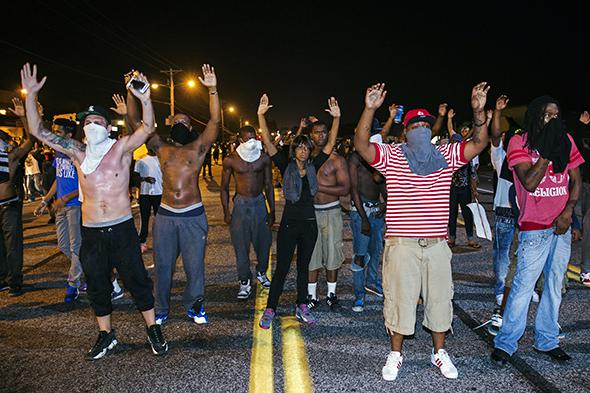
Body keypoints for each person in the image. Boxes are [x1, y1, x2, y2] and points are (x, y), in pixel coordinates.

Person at [21, 63, 168, 359]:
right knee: (98, 285)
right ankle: (106, 334)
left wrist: (146, 99)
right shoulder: (77, 152)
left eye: (96, 120)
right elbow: (38, 130)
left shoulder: (122, 148)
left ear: (107, 125)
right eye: (85, 121)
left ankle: (152, 328)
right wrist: (30, 96)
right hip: (92, 233)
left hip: (122, 228)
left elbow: (148, 128)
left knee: (138, 282)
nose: (90, 124)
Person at [354, 82, 491, 381]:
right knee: (399, 299)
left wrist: (479, 111)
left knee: (440, 299)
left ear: (432, 130)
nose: (420, 129)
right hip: (402, 244)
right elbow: (361, 145)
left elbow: (479, 143)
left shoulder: (446, 156)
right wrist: (370, 109)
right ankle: (396, 354)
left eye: (425, 124)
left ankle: (438, 352)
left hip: (437, 244)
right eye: (414, 124)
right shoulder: (392, 155)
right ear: (406, 132)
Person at [491, 95, 584, 365]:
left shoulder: (566, 141)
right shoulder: (519, 142)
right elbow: (530, 182)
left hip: (560, 227)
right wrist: (544, 151)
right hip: (534, 228)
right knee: (522, 287)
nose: (553, 120)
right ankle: (506, 343)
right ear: (535, 116)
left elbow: (576, 180)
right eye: (547, 115)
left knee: (554, 287)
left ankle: (547, 340)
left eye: (557, 115)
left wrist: (568, 212)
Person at [127, 64, 220, 326]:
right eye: (175, 121)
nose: (179, 124)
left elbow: (214, 121)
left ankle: (194, 306)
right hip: (166, 215)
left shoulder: (198, 148)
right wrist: (132, 94)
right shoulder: (161, 147)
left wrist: (212, 90)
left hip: (192, 215)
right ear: (169, 125)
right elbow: (137, 123)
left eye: (184, 122)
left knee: (194, 268)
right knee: (163, 266)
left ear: (190, 127)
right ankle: (161, 308)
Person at [257, 94, 339, 329]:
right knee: (282, 268)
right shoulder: (285, 165)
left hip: (309, 224)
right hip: (289, 224)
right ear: (294, 150)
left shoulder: (314, 166)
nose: (303, 151)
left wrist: (337, 119)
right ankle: (271, 308)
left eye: (306, 147)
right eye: (299, 147)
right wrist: (261, 115)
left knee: (304, 268)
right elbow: (270, 145)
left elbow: (331, 143)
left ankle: (301, 305)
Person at [221, 126, 274, 299]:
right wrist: (227, 212)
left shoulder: (264, 158)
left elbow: (268, 185)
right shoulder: (231, 160)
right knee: (241, 246)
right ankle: (244, 281)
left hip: (259, 202)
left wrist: (271, 210)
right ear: (240, 140)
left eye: (254, 137)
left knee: (263, 243)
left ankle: (261, 273)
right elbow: (223, 187)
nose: (252, 141)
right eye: (248, 138)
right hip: (241, 204)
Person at [34, 118, 83, 303]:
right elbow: (58, 179)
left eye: (58, 132)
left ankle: (73, 284)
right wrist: (45, 201)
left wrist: (64, 199)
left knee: (75, 246)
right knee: (63, 245)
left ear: (69, 135)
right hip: (60, 206)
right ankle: (87, 269)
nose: (54, 135)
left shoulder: (77, 154)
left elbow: (85, 185)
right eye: (53, 131)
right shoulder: (58, 154)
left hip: (75, 206)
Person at [306, 102, 348, 310]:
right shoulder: (304, 158)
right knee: (312, 255)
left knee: (333, 254)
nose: (320, 136)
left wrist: (319, 187)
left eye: (324, 132)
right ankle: (311, 296)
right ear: (311, 135)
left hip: (331, 212)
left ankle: (331, 294)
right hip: (312, 213)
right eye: (316, 132)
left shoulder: (337, 159)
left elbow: (345, 188)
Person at [349, 118, 387, 312]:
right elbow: (354, 190)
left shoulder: (379, 154)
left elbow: (383, 183)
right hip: (360, 212)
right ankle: (359, 294)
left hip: (377, 212)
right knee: (360, 255)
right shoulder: (355, 158)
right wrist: (363, 218)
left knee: (375, 251)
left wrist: (385, 204)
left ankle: (372, 283)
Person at [0, 98, 35, 296]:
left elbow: (30, 140)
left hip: (8, 205)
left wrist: (23, 117)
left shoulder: (10, 156)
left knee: (12, 245)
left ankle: (14, 282)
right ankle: (3, 278)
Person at [446, 109, 480, 249]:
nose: (456, 144)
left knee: (467, 214)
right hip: (451, 189)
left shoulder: (466, 156)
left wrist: (474, 190)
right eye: (454, 142)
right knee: (451, 215)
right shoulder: (447, 157)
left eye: (458, 143)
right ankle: (452, 238)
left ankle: (470, 239)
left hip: (464, 189)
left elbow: (472, 174)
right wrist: (448, 118)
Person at [133, 148, 162, 254]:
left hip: (159, 193)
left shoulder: (161, 159)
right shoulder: (140, 160)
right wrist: (145, 179)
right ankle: (142, 241)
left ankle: (160, 241)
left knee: (159, 219)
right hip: (145, 193)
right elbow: (135, 178)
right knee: (144, 218)